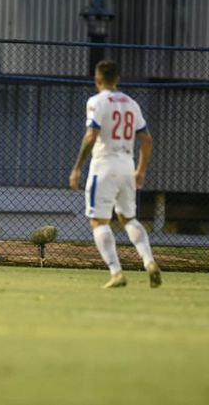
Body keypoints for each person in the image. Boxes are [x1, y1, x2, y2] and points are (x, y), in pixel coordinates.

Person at [69, 60, 161, 288]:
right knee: (128, 218)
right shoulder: (131, 103)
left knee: (99, 221)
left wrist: (78, 166)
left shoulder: (96, 101)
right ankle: (148, 261)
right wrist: (140, 170)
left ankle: (116, 272)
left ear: (97, 79)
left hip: (104, 166)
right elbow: (147, 140)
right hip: (127, 166)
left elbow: (92, 135)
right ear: (117, 79)